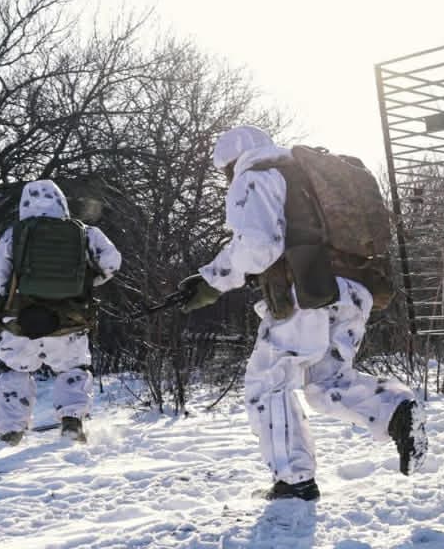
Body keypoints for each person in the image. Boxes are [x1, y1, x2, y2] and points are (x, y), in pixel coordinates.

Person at [177, 126, 427, 502]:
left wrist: (213, 281)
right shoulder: (306, 175)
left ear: (231, 163)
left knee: (268, 384)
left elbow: (258, 247)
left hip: (307, 293)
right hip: (354, 291)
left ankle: (294, 481)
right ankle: (395, 410)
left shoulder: (255, 175)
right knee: (326, 383)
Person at [0, 179, 122, 444]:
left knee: (16, 371)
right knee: (73, 367)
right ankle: (72, 422)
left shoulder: (13, 234)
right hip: (69, 319)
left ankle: (11, 431)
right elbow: (112, 262)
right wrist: (86, 283)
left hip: (21, 320)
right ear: (61, 202)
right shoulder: (85, 232)